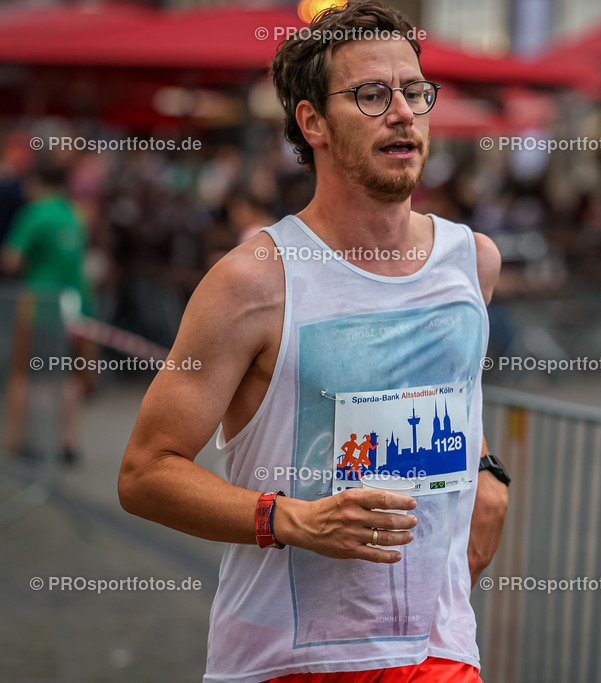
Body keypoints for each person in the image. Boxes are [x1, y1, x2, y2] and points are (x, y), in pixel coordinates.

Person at [117, 3, 509, 682]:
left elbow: (446, 395)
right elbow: (145, 471)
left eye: (415, 93)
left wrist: (488, 472)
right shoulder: (253, 281)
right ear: (312, 122)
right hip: (290, 659)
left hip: (439, 651)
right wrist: (290, 519)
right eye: (371, 95)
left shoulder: (473, 260)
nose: (403, 114)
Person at [1, 159, 96, 465]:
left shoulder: (33, 214)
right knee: (71, 375)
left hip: (37, 305)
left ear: (35, 182)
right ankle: (67, 441)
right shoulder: (74, 213)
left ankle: (17, 440)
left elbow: (11, 260)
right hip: (76, 306)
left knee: (21, 373)